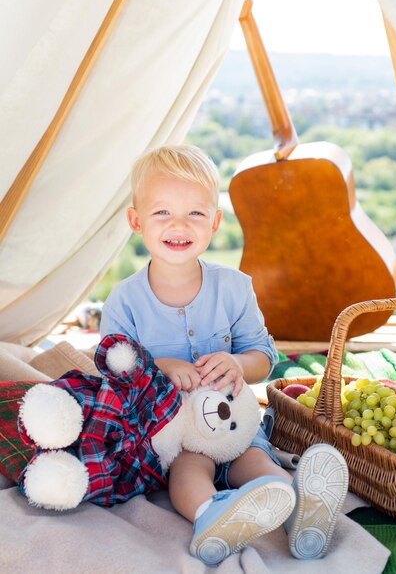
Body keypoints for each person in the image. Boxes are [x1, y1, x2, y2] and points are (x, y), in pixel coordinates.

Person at [100, 144, 349, 567]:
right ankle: (210, 517)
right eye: (162, 213)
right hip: (176, 433)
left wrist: (237, 363)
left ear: (214, 223)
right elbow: (112, 369)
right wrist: (159, 368)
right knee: (188, 472)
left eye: (195, 213)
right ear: (135, 221)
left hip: (235, 422)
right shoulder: (124, 300)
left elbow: (264, 355)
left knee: (256, 460)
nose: (179, 225)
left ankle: (299, 511)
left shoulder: (234, 287)